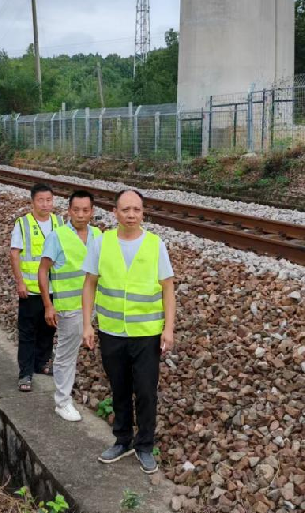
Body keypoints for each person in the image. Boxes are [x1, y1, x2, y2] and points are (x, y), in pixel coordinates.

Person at [82, 189, 175, 475]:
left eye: (136, 209)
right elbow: (90, 284)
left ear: (143, 212)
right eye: (126, 210)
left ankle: (145, 445)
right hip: (112, 331)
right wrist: (88, 324)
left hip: (146, 333)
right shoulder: (103, 242)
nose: (131, 215)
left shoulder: (154, 244)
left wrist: (168, 328)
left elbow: (168, 287)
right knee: (119, 388)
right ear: (115, 213)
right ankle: (122, 440)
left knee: (146, 391)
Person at [37, 190, 101, 422]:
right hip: (70, 307)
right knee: (66, 353)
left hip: (98, 305)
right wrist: (48, 304)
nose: (81, 215)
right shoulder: (58, 236)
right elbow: (43, 270)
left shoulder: (98, 235)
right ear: (69, 211)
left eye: (86, 210)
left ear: (92, 212)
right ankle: (62, 402)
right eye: (76, 210)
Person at [10, 183, 64, 392]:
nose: (45, 204)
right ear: (32, 202)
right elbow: (15, 254)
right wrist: (20, 281)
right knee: (28, 332)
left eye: (49, 200)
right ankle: (25, 373)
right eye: (41, 200)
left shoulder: (59, 222)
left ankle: (41, 363)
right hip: (31, 290)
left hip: (53, 289)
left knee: (48, 329)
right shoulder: (23, 224)